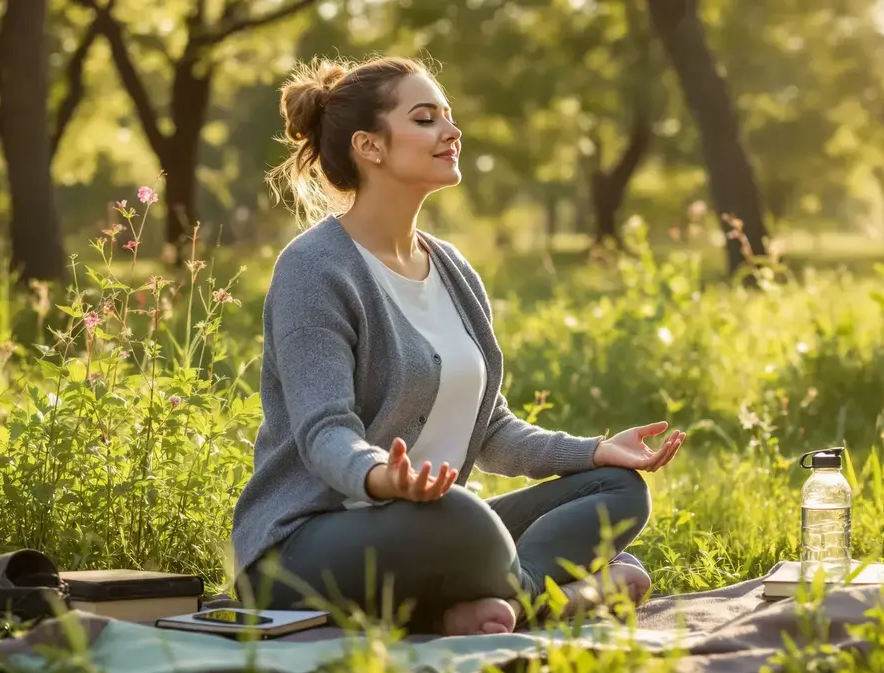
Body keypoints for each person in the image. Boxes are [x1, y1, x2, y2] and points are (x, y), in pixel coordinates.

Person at [230, 55, 685, 637]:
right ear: (370, 147)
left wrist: (594, 452)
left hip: (431, 528)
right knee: (464, 517)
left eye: (448, 115)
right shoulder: (316, 269)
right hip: (304, 550)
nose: (452, 131)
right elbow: (324, 433)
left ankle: (503, 604)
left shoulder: (454, 271)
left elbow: (491, 431)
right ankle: (561, 594)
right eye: (425, 118)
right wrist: (380, 478)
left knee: (618, 490)